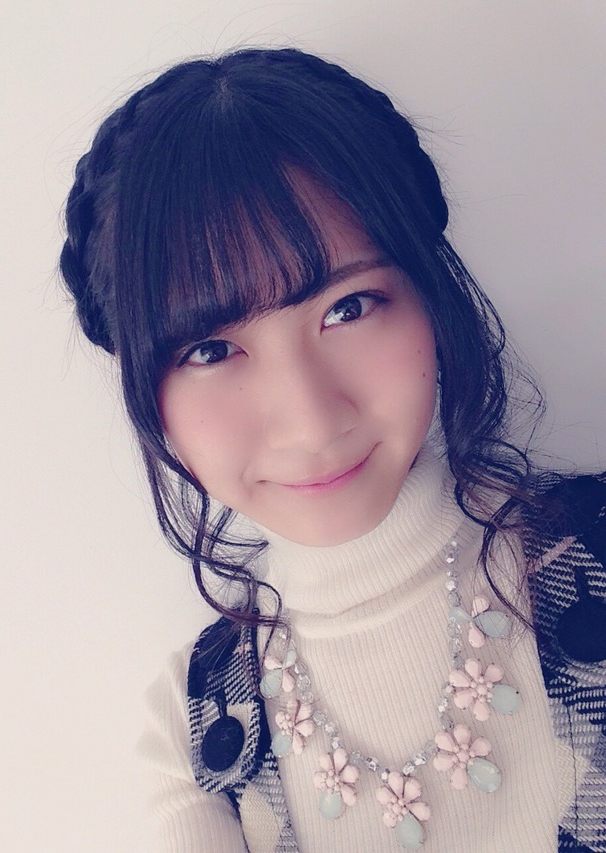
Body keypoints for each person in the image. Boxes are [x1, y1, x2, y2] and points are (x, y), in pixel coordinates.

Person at [59, 48, 606, 852]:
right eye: (210, 350)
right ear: (149, 394)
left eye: (349, 307)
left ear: (427, 295)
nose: (312, 422)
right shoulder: (193, 728)